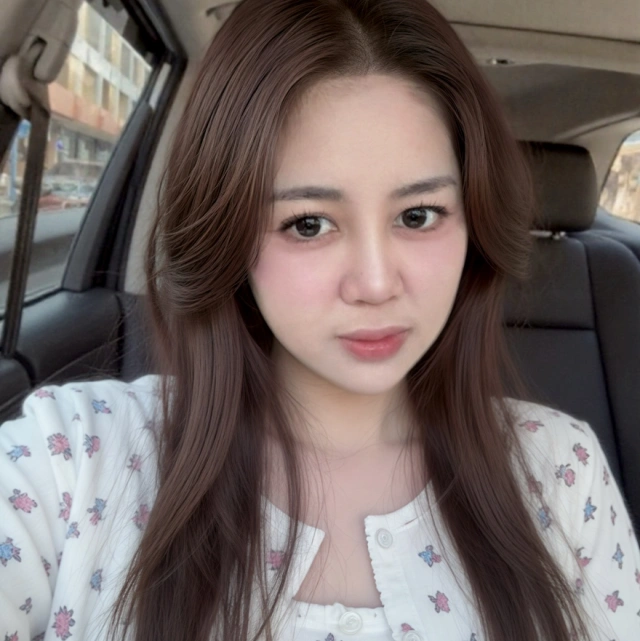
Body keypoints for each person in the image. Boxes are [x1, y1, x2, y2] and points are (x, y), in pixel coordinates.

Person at [1, 0, 639, 640]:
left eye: (418, 215)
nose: (376, 284)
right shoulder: (73, 462)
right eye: (308, 224)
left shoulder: (560, 474)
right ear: (228, 236)